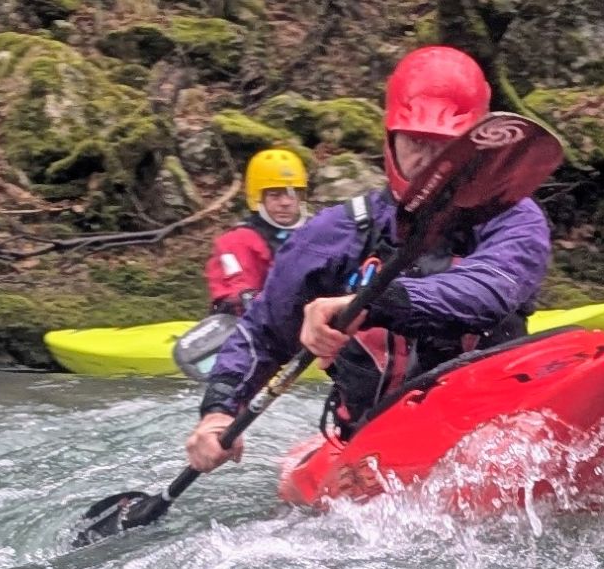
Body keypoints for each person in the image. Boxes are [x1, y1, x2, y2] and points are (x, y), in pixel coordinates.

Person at [186, 46, 552, 472]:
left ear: (475, 150)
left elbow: (491, 288)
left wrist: (374, 302)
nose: (431, 160)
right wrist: (218, 412)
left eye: (447, 145)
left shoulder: (513, 217)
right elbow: (262, 334)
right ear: (390, 141)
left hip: (493, 431)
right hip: (372, 448)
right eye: (417, 142)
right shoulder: (335, 235)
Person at [204, 148, 310, 315]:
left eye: (292, 195)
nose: (285, 203)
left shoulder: (318, 231)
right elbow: (237, 289)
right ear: (258, 198)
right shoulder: (237, 241)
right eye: (275, 195)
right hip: (268, 322)